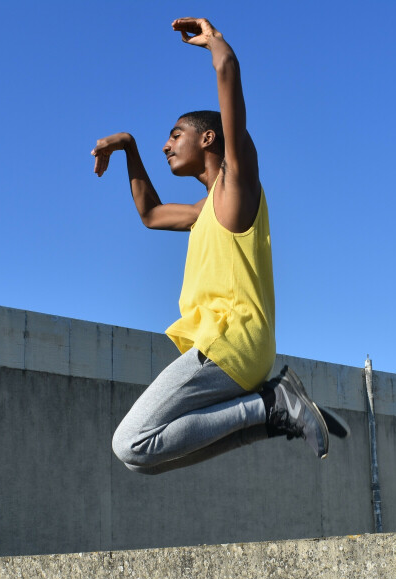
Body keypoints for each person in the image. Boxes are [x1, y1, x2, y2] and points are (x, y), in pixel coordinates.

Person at [92, 17, 348, 475]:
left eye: (175, 135)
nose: (166, 146)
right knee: (146, 460)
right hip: (247, 352)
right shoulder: (204, 211)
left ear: (207, 138)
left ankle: (272, 403)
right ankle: (279, 414)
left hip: (230, 342)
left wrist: (217, 45)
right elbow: (150, 214)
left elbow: (229, 83)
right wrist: (129, 148)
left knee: (130, 442)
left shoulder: (236, 187)